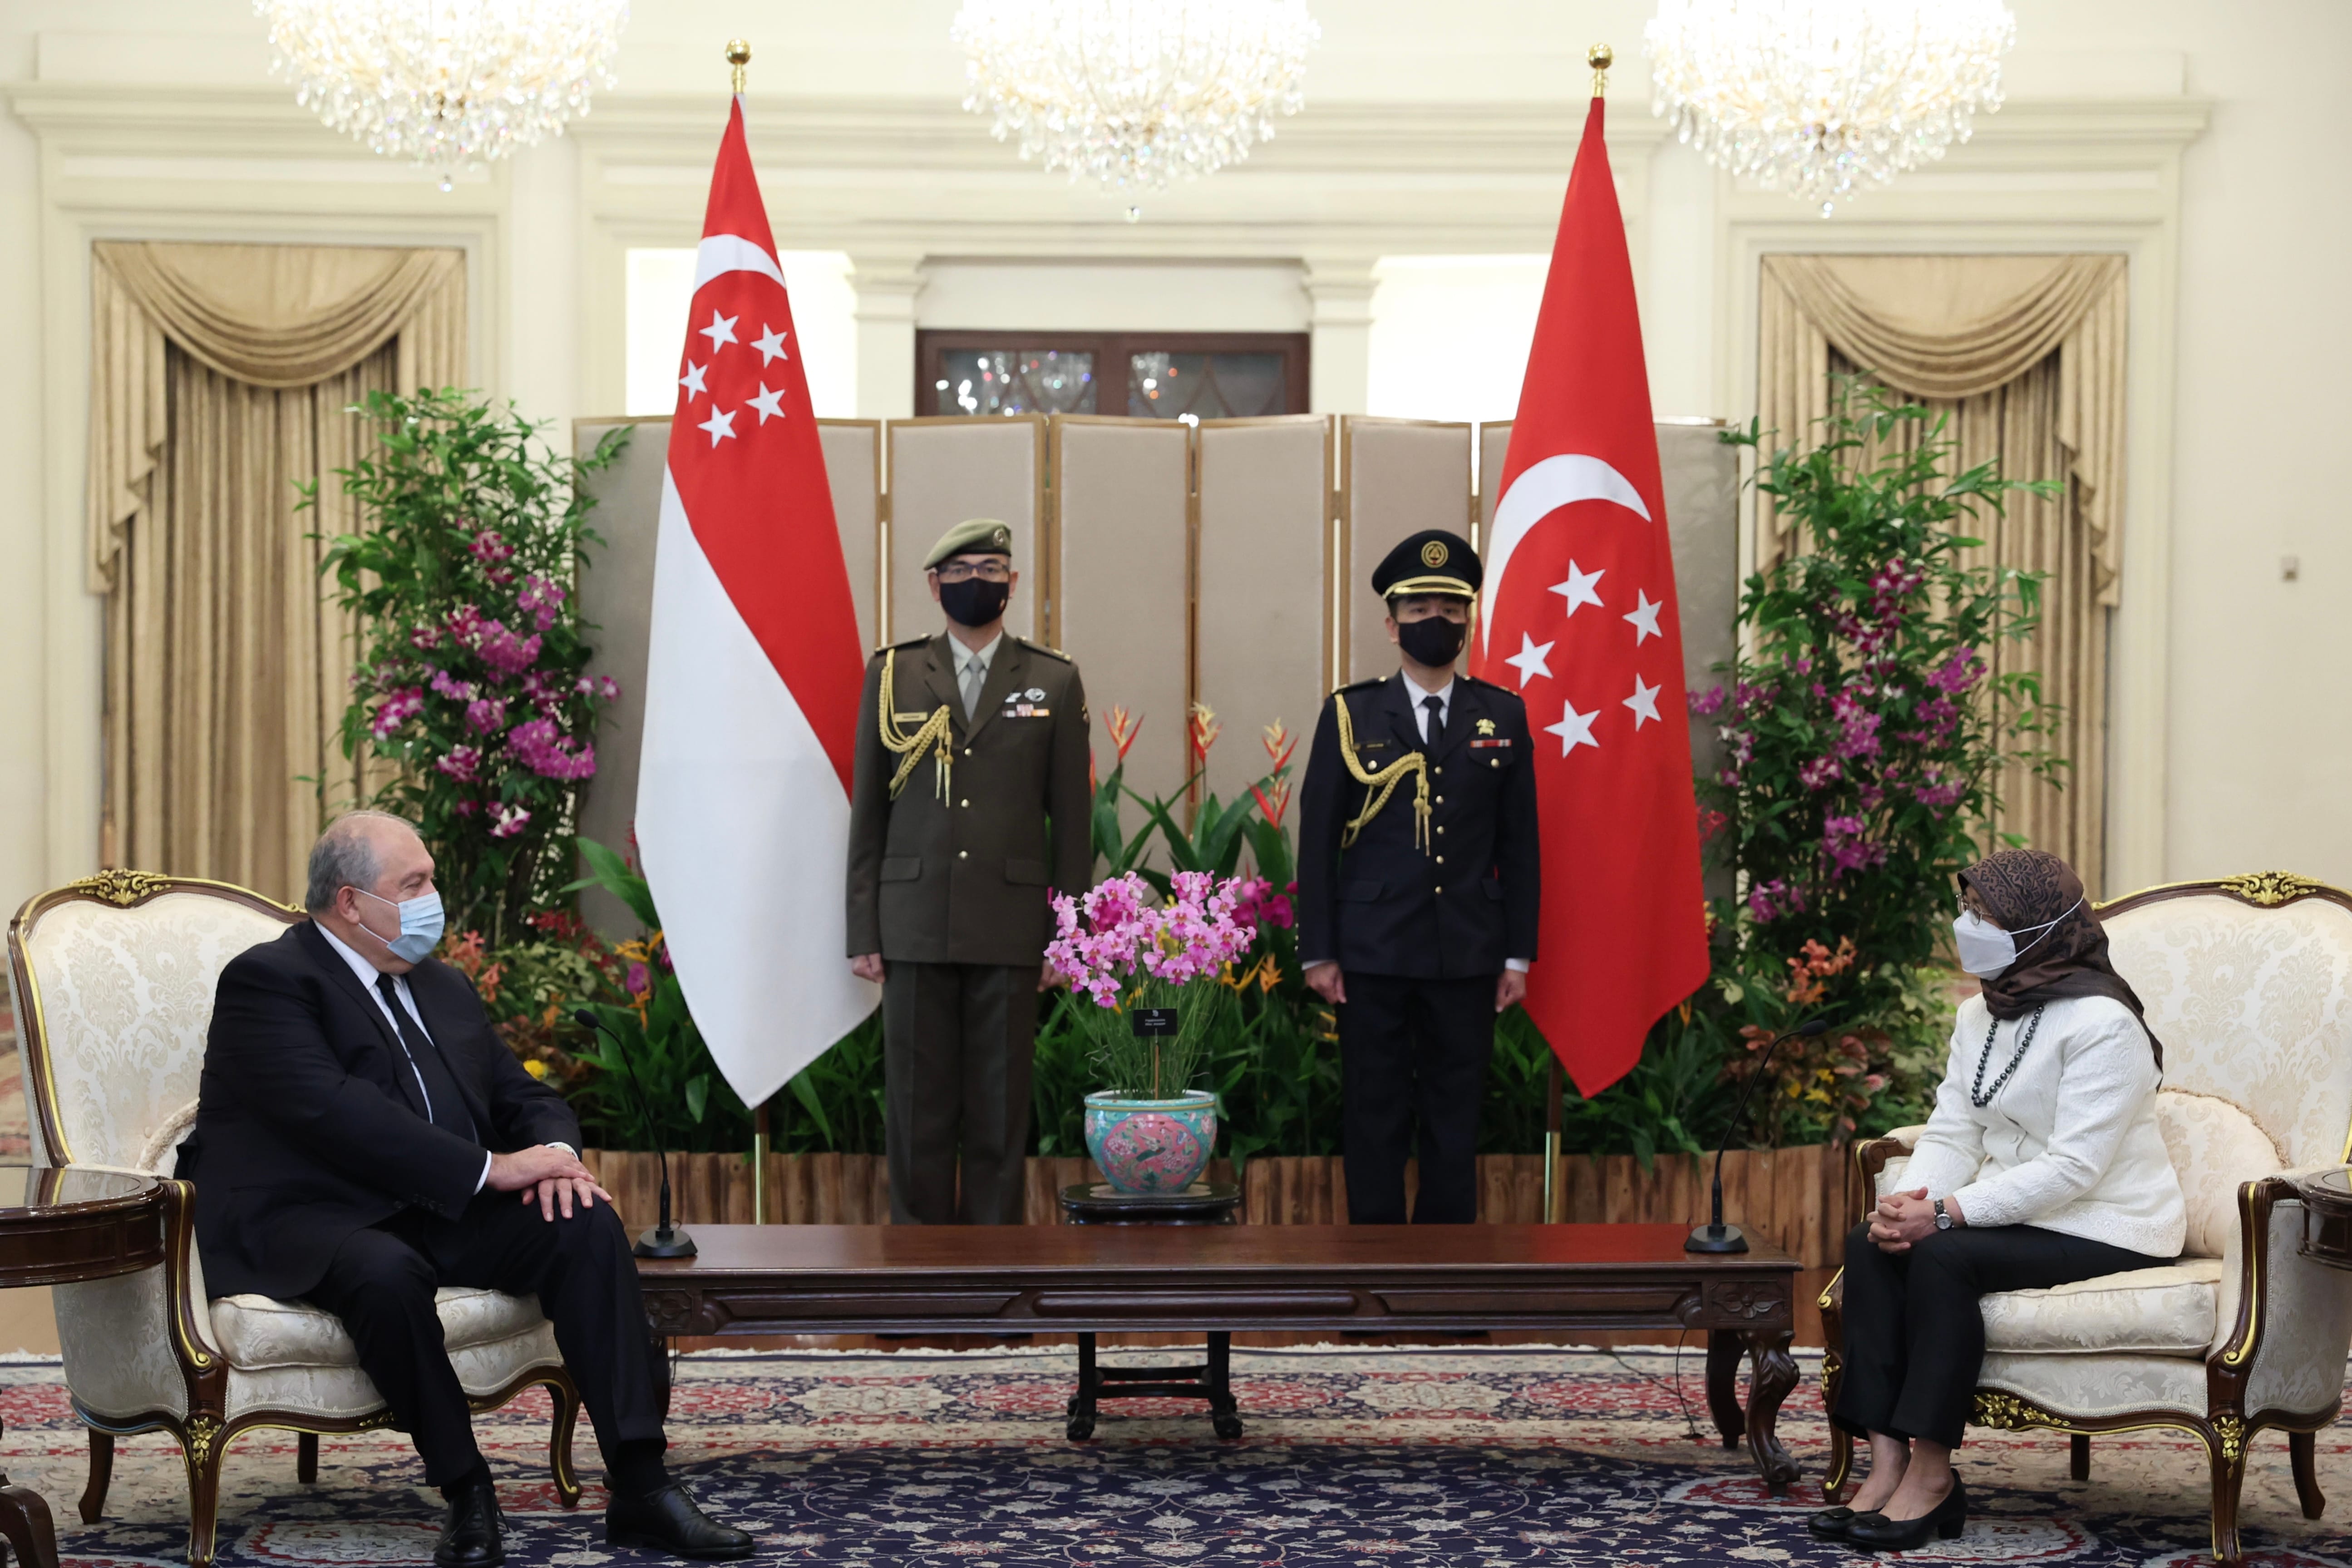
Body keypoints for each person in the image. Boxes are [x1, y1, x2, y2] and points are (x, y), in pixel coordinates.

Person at [180, 811, 752, 1567]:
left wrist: (552, 1155)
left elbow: (522, 1094)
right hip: (312, 1214)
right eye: (412, 884)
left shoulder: (441, 987)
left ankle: (642, 1487)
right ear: (351, 903)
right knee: (386, 1273)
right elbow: (339, 1115)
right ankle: (467, 1491)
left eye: (430, 880)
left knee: (579, 1221)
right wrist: (495, 1170)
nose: (432, 898)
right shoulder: (271, 980)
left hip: (429, 1205)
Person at [1819, 848, 2186, 1551]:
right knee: (1866, 1246)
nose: (1965, 926)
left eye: (1982, 916)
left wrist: (1948, 1214)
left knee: (1943, 1258)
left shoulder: (2104, 1024)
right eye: (1966, 911)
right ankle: (1884, 1459)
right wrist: (1905, 1203)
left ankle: (1932, 1473)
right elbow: (1953, 1128)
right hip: (2013, 1210)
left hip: (2106, 1220)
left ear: (2036, 928)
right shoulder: (1978, 1015)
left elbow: (2074, 1168)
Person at [845, 518, 1092, 1225]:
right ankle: (917, 1282)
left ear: (1012, 583)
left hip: (1011, 926)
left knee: (998, 1114)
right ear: (933, 584)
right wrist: (863, 924)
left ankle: (996, 1279)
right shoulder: (891, 672)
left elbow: (1071, 823)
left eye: (989, 568)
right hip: (913, 921)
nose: (974, 581)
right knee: (917, 1115)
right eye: (958, 572)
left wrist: (1066, 936)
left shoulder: (1053, 677)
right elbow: (868, 813)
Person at [1294, 528, 1539, 1225]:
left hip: (1466, 951)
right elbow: (1317, 841)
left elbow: (1520, 844)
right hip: (1372, 951)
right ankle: (1374, 1281)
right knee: (1373, 1114)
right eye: (1419, 607)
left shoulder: (1501, 713)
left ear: (1469, 617)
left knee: (1453, 1117)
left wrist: (1517, 953)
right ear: (1390, 620)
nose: (1436, 620)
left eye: (1451, 607)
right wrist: (1319, 950)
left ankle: (1443, 1283)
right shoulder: (1351, 713)